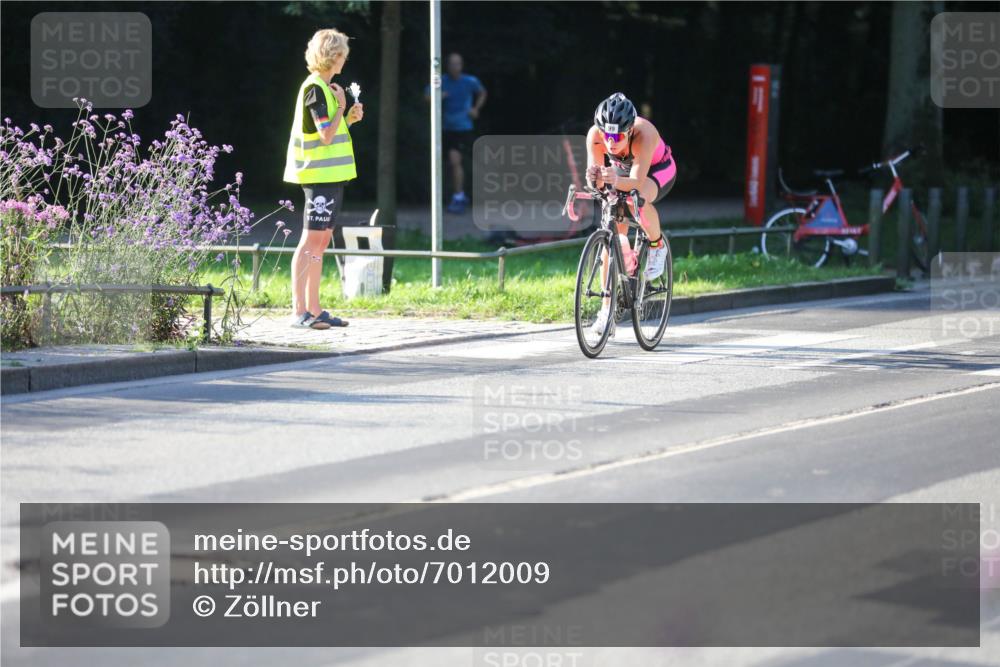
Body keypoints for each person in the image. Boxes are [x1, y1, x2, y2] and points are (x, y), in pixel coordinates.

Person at [283, 28, 364, 329]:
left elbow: (330, 132)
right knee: (310, 242)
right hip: (318, 177)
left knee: (320, 242)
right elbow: (325, 136)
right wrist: (341, 106)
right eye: (343, 54)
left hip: (331, 177)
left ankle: (314, 309)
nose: (345, 59)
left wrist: (347, 118)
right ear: (333, 55)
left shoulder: (325, 89)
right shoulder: (315, 88)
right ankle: (299, 312)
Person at [585, 92, 677, 334]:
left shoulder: (644, 133)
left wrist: (615, 181)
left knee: (637, 199)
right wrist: (594, 179)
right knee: (611, 236)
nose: (610, 142)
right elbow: (597, 182)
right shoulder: (595, 136)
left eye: (617, 136)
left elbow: (635, 182)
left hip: (656, 170)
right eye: (606, 135)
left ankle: (657, 245)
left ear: (629, 131)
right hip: (621, 172)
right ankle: (606, 312)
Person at [425, 53, 487, 214]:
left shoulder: (470, 81)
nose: (455, 67)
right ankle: (457, 195)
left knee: (456, 160)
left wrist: (476, 109)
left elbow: (482, 92)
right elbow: (427, 97)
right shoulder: (441, 81)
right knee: (449, 163)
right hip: (445, 128)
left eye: (458, 64)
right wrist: (439, 96)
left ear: (462, 65)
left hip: (463, 128)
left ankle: (460, 196)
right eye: (452, 64)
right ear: (447, 65)